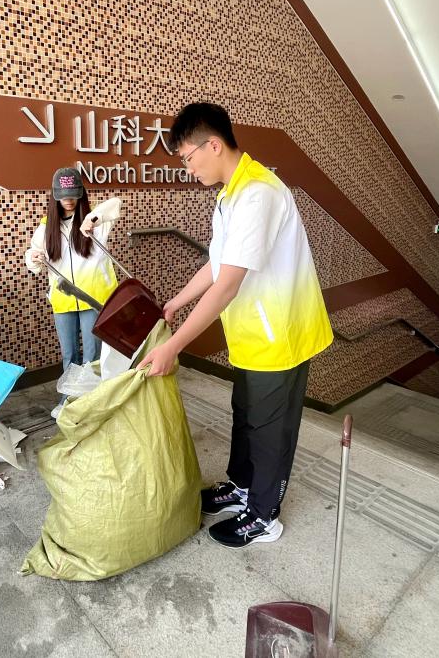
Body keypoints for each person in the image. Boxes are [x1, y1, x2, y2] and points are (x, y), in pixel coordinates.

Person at [137, 102, 333, 549]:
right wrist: (176, 302)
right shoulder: (231, 193)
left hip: (280, 335)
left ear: (214, 145)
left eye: (188, 158)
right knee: (246, 415)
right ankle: (242, 487)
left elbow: (227, 285)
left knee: (269, 429)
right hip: (252, 334)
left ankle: (264, 516)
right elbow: (217, 264)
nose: (188, 169)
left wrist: (173, 346)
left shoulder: (258, 194)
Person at [25, 168, 122, 418]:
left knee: (92, 355)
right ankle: (68, 400)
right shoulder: (47, 228)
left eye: (73, 194)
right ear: (55, 196)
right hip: (63, 299)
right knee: (70, 355)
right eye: (63, 195)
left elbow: (115, 204)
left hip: (93, 299)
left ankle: (89, 402)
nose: (68, 200)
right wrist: (33, 258)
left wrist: (93, 219)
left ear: (81, 193)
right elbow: (32, 258)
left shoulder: (96, 222)